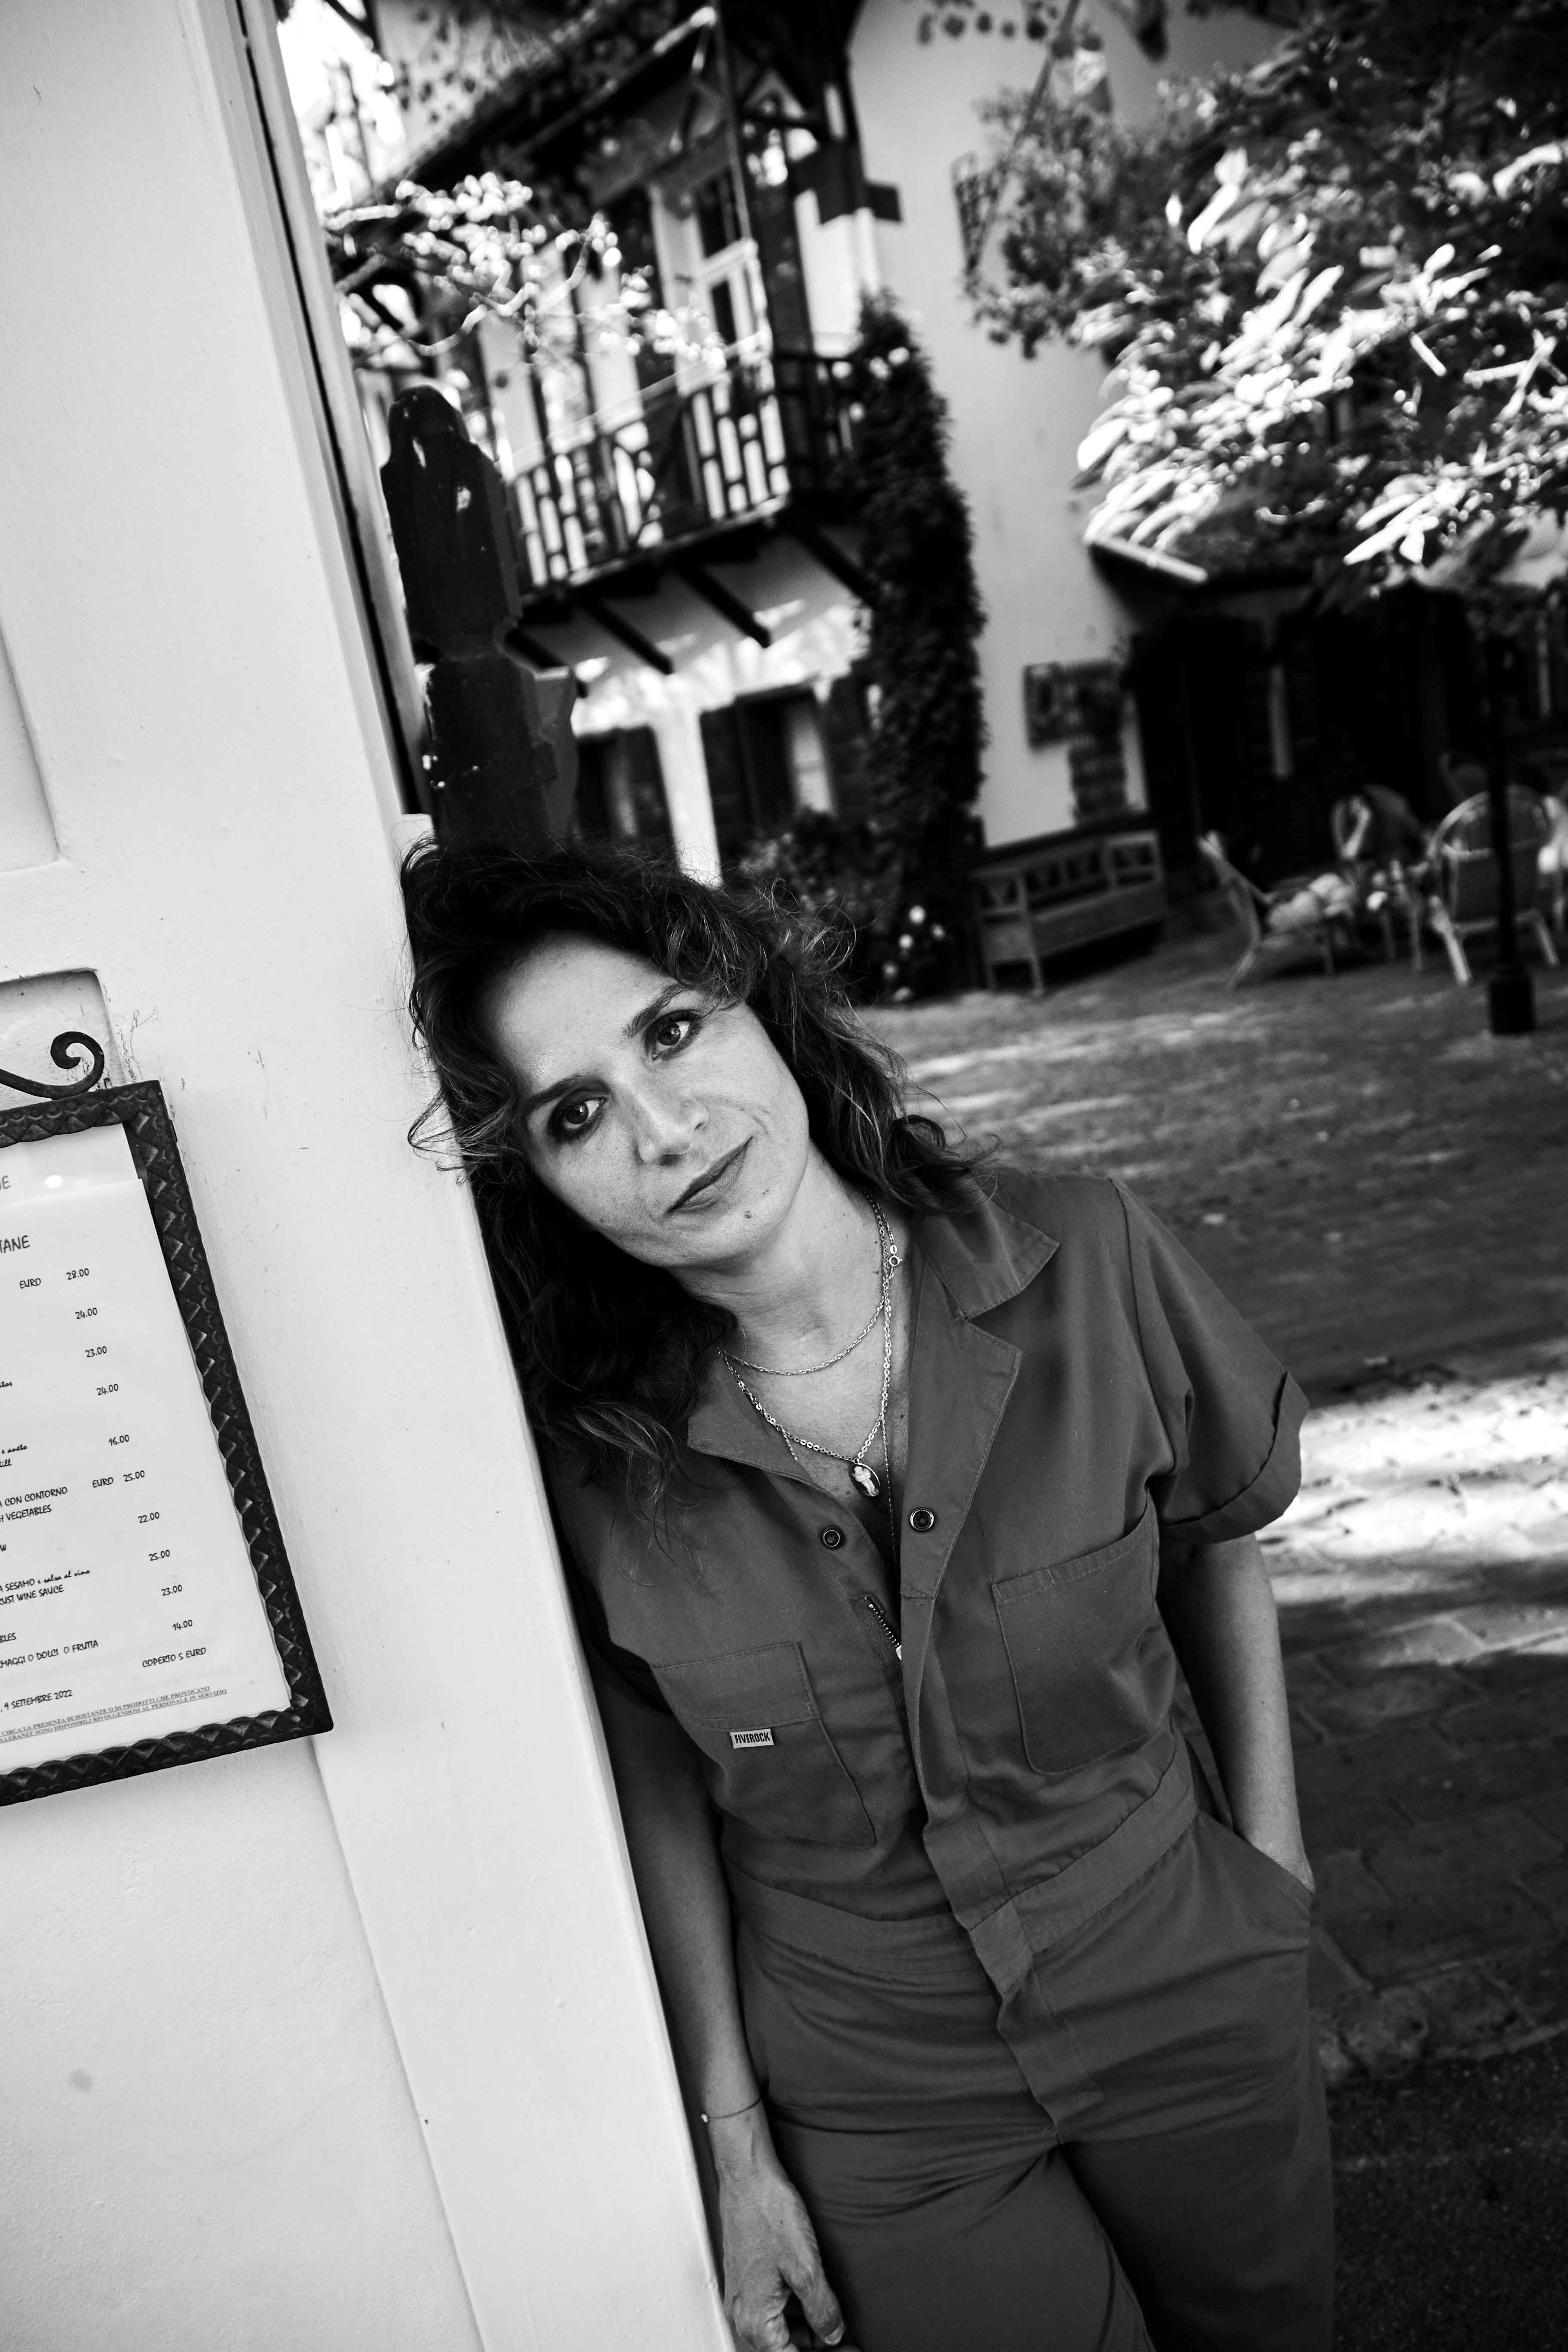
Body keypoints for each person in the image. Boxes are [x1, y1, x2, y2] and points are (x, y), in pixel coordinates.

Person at [401, 839, 1333, 2352]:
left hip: (1182, 1978)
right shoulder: (587, 1464)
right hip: (878, 2091)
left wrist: (1275, 1868)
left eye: (672, 1030)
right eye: (576, 1114)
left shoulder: (1087, 1257)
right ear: (541, 1188)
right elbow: (657, 1778)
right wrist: (733, 2144)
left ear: (762, 1005)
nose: (665, 1130)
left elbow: (1217, 1538)